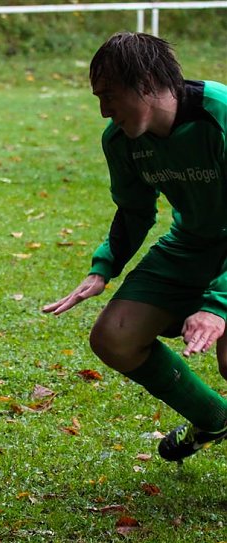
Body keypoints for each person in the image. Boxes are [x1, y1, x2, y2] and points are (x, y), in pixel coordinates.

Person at [43, 32, 227, 465]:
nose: (105, 110)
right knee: (115, 338)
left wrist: (217, 305)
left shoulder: (219, 116)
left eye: (110, 96)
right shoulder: (121, 140)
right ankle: (214, 418)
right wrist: (102, 268)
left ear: (146, 81)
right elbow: (134, 211)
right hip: (192, 245)